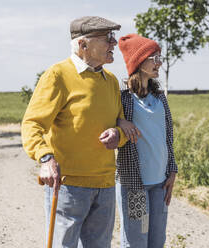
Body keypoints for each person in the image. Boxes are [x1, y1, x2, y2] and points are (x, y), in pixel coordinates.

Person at [21, 16, 131, 248]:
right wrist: (45, 157)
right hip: (68, 184)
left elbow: (121, 127)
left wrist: (117, 135)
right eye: (107, 39)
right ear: (83, 45)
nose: (114, 44)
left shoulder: (110, 81)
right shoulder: (58, 75)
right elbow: (32, 124)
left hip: (104, 184)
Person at [115, 33, 178, 248]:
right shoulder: (123, 97)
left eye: (160, 57)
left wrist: (172, 169)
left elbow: (168, 136)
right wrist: (120, 122)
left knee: (157, 241)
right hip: (135, 185)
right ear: (138, 61)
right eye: (154, 57)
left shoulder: (159, 96)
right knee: (136, 242)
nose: (159, 62)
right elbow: (105, 121)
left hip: (160, 184)